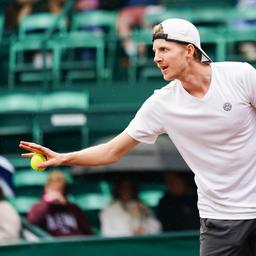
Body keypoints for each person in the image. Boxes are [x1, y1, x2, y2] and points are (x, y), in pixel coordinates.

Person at [20, 17, 256, 255]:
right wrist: (63, 158)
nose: (156, 58)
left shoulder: (240, 75)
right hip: (219, 217)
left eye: (164, 49)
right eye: (155, 51)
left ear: (188, 50)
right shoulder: (160, 104)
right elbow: (112, 151)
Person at [27, 170, 94, 237]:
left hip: (75, 244)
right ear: (46, 188)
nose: (56, 193)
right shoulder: (38, 207)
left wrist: (66, 205)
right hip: (53, 246)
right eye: (53, 189)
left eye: (59, 190)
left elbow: (88, 231)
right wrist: (47, 201)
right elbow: (33, 220)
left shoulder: (73, 208)